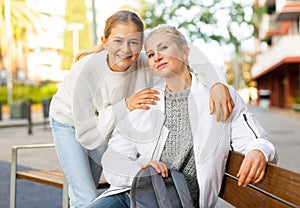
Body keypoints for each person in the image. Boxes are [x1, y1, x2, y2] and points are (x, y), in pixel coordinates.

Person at [49, 10, 234, 208]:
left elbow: (189, 61)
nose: (126, 50)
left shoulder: (146, 63)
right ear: (104, 41)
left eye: (133, 42)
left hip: (105, 124)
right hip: (71, 124)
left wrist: (216, 84)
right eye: (118, 41)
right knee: (84, 195)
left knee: (93, 193)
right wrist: (126, 105)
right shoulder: (84, 71)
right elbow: (88, 134)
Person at [89, 25, 278, 208]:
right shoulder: (148, 101)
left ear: (185, 52)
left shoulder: (218, 96)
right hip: (132, 196)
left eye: (163, 48)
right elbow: (113, 157)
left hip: (179, 202)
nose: (157, 57)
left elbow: (256, 139)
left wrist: (258, 151)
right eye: (152, 54)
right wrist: (140, 171)